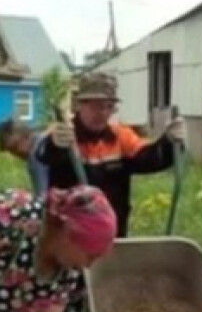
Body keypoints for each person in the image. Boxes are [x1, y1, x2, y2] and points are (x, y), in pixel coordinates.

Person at [39, 72, 185, 237]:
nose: (102, 113)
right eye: (95, 106)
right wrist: (56, 145)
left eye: (108, 107)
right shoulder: (64, 135)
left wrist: (169, 142)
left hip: (112, 233)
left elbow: (151, 159)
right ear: (79, 105)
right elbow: (44, 154)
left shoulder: (121, 137)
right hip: (69, 234)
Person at [0, 120, 50, 195]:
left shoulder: (36, 156)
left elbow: (43, 197)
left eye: (14, 148)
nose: (15, 154)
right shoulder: (43, 140)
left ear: (25, 136)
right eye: (10, 150)